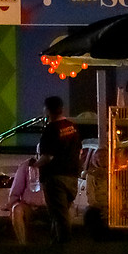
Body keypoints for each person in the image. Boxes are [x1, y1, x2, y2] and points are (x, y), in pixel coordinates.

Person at [27, 96, 82, 245]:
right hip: (72, 177)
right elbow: (79, 151)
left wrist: (35, 165)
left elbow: (47, 157)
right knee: (63, 213)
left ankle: (63, 248)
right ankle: (55, 243)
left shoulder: (50, 130)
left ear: (47, 110)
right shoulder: (72, 127)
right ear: (61, 108)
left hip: (55, 178)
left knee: (59, 216)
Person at [7, 155, 39, 243]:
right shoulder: (27, 165)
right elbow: (16, 190)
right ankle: (22, 245)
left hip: (52, 206)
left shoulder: (57, 166)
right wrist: (12, 204)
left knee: (70, 208)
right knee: (16, 209)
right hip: (30, 207)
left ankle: (62, 246)